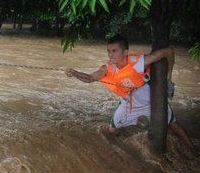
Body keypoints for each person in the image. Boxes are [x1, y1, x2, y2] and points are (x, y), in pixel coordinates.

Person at [65, 34, 195, 150]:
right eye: (109, 51)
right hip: (129, 104)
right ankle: (126, 150)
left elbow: (169, 51)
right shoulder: (107, 68)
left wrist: (168, 79)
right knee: (112, 131)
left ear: (125, 52)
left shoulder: (137, 62)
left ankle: (193, 149)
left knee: (174, 125)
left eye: (114, 51)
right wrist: (76, 73)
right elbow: (90, 78)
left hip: (153, 101)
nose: (111, 55)